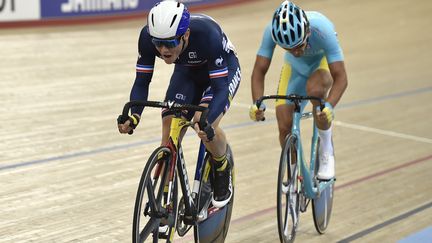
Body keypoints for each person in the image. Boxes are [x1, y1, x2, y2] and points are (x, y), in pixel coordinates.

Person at [118, 1, 240, 208]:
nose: (163, 50)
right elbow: (141, 82)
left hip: (222, 73)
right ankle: (164, 203)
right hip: (187, 73)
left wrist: (208, 122)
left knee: (202, 121)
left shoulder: (208, 34)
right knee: (169, 127)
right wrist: (134, 116)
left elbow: (219, 89)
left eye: (170, 43)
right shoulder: (146, 38)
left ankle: (221, 166)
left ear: (186, 35)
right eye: (158, 43)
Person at [249, 1, 348, 180]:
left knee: (315, 90)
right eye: (288, 48)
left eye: (299, 46)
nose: (295, 52)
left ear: (307, 31)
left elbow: (341, 78)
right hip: (294, 70)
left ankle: (326, 149)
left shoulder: (322, 28)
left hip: (321, 65)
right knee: (284, 126)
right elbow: (259, 71)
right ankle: (294, 173)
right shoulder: (270, 32)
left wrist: (330, 107)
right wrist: (257, 103)